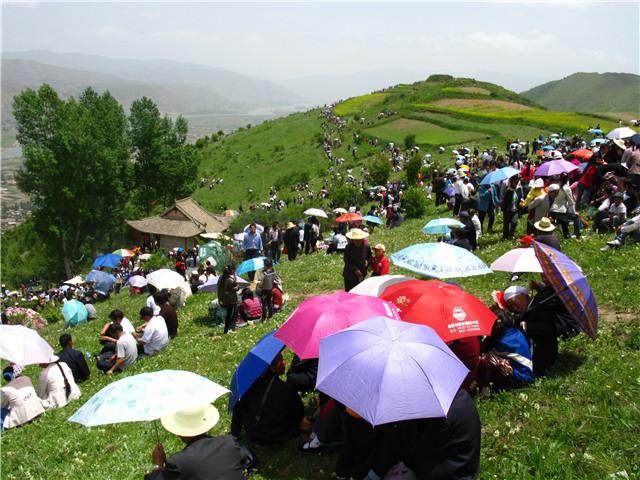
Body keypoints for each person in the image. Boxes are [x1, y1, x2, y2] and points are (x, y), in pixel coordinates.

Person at [145, 404, 248, 480]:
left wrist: (157, 465)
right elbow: (247, 458)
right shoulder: (229, 442)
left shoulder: (178, 462)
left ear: (179, 433)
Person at [231, 353, 304, 446]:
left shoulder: (250, 383)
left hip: (252, 433)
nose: (284, 363)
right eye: (280, 361)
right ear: (271, 368)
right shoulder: (287, 389)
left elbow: (238, 407)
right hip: (276, 436)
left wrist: (235, 432)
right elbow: (299, 414)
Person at [521, 278, 581, 376]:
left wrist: (524, 325)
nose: (542, 275)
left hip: (562, 325)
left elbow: (546, 326)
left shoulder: (553, 294)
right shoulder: (551, 290)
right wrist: (539, 287)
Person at [478, 298, 534, 396]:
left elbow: (483, 351)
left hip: (520, 379)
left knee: (485, 361)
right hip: (526, 373)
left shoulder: (502, 341)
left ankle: (485, 391)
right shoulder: (515, 332)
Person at [1, 365, 45, 431]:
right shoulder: (26, 378)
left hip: (23, 419)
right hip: (38, 412)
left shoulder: (5, 389)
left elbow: (2, 406)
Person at [218, 265, 239, 334]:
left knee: (228, 314)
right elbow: (236, 288)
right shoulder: (230, 280)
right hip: (231, 300)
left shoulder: (220, 279)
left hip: (223, 299)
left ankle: (226, 329)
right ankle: (230, 328)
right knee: (232, 314)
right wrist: (235, 280)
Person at [501, 176, 521, 240]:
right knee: (506, 224)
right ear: (511, 182)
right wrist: (504, 210)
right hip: (508, 210)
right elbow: (504, 202)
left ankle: (511, 234)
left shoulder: (518, 190)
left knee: (514, 222)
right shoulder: (508, 191)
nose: (516, 184)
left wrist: (521, 201)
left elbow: (519, 198)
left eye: (517, 182)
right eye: (514, 182)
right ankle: (505, 236)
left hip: (515, 210)